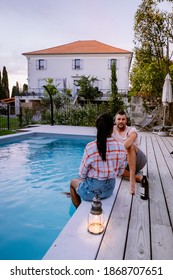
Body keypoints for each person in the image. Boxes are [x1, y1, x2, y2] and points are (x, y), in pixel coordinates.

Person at [70, 112, 127, 208]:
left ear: (98, 129)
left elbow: (82, 174)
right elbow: (120, 172)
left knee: (72, 182)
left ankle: (78, 207)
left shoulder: (91, 147)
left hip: (92, 193)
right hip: (109, 191)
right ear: (112, 129)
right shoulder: (121, 147)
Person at [113, 110, 147, 194]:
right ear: (115, 120)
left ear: (126, 121)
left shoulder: (131, 129)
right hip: (124, 162)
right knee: (113, 167)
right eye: (119, 119)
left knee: (130, 145)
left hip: (138, 159)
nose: (121, 121)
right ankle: (137, 178)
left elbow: (132, 138)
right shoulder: (112, 130)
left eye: (123, 119)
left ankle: (132, 180)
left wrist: (119, 151)